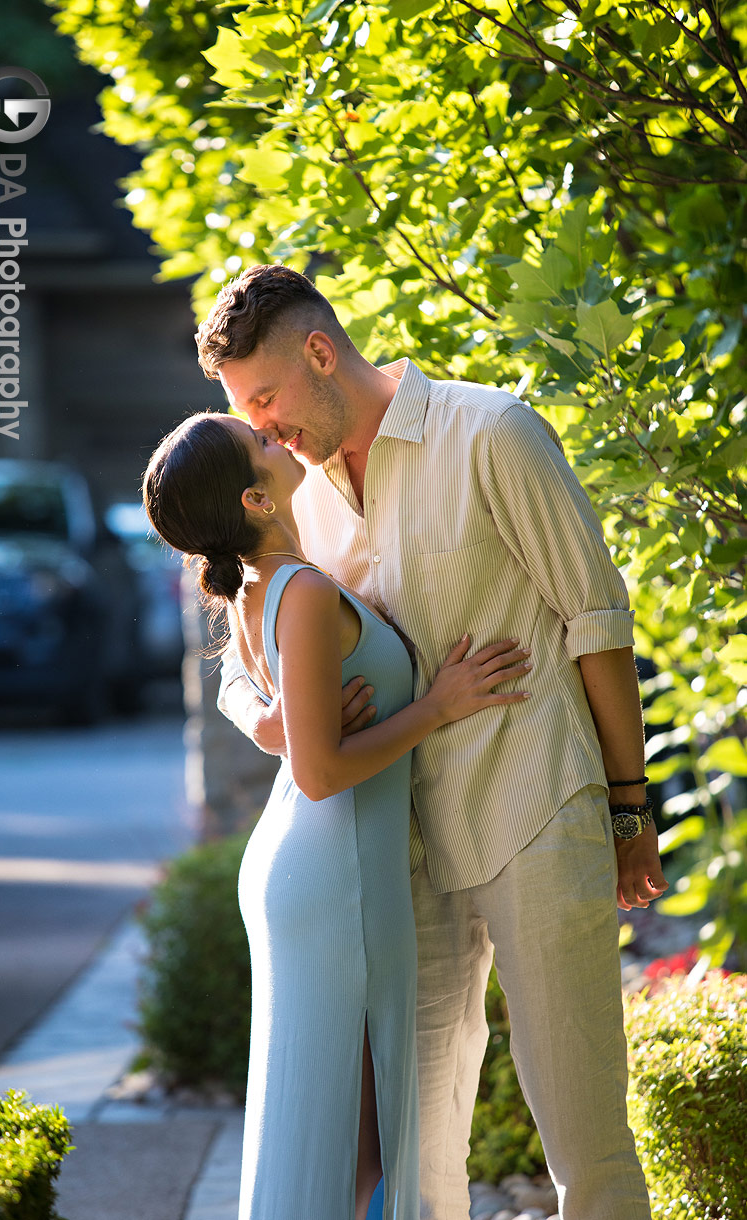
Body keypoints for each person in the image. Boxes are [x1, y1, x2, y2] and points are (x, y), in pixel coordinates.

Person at [196, 264, 669, 1220]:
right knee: (417, 1157)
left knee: (585, 1142)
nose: (263, 430)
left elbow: (597, 626)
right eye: (246, 413)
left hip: (534, 807)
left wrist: (628, 810)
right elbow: (241, 659)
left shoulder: (491, 433)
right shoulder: (294, 496)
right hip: (395, 851)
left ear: (319, 352)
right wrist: (270, 720)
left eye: (266, 400)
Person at [141, 411, 532, 1220]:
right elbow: (319, 774)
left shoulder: (261, 585)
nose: (273, 434)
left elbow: (250, 698)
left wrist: (269, 722)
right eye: (258, 443)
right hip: (335, 873)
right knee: (355, 1149)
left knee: (332, 1138)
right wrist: (437, 706)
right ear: (254, 499)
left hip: (314, 864)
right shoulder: (303, 591)